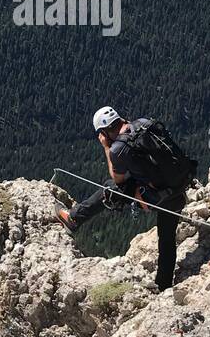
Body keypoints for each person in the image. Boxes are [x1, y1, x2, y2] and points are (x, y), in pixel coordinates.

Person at [57, 106, 197, 293]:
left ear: (104, 132)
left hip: (156, 197)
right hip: (178, 190)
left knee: (111, 188)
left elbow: (118, 178)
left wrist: (107, 148)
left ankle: (74, 218)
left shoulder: (118, 148)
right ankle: (163, 286)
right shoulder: (146, 124)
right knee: (167, 240)